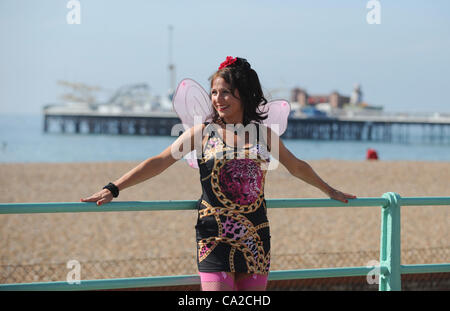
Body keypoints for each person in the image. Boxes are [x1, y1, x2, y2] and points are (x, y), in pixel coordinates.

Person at [81, 57, 357, 291]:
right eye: (214, 92)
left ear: (243, 94)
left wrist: (328, 189)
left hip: (257, 235)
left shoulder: (263, 134)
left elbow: (296, 166)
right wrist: (113, 188)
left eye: (225, 92)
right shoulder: (202, 133)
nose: (217, 99)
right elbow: (160, 161)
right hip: (214, 236)